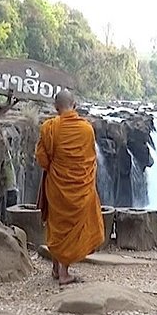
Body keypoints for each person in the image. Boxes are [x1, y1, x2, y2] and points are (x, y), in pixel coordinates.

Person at [35, 89, 105, 285]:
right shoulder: (86, 129)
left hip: (57, 185)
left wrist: (55, 169)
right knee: (72, 226)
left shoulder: (49, 127)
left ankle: (57, 267)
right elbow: (90, 159)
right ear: (75, 106)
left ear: (56, 107)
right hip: (80, 186)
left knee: (58, 224)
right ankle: (64, 273)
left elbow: (41, 157)